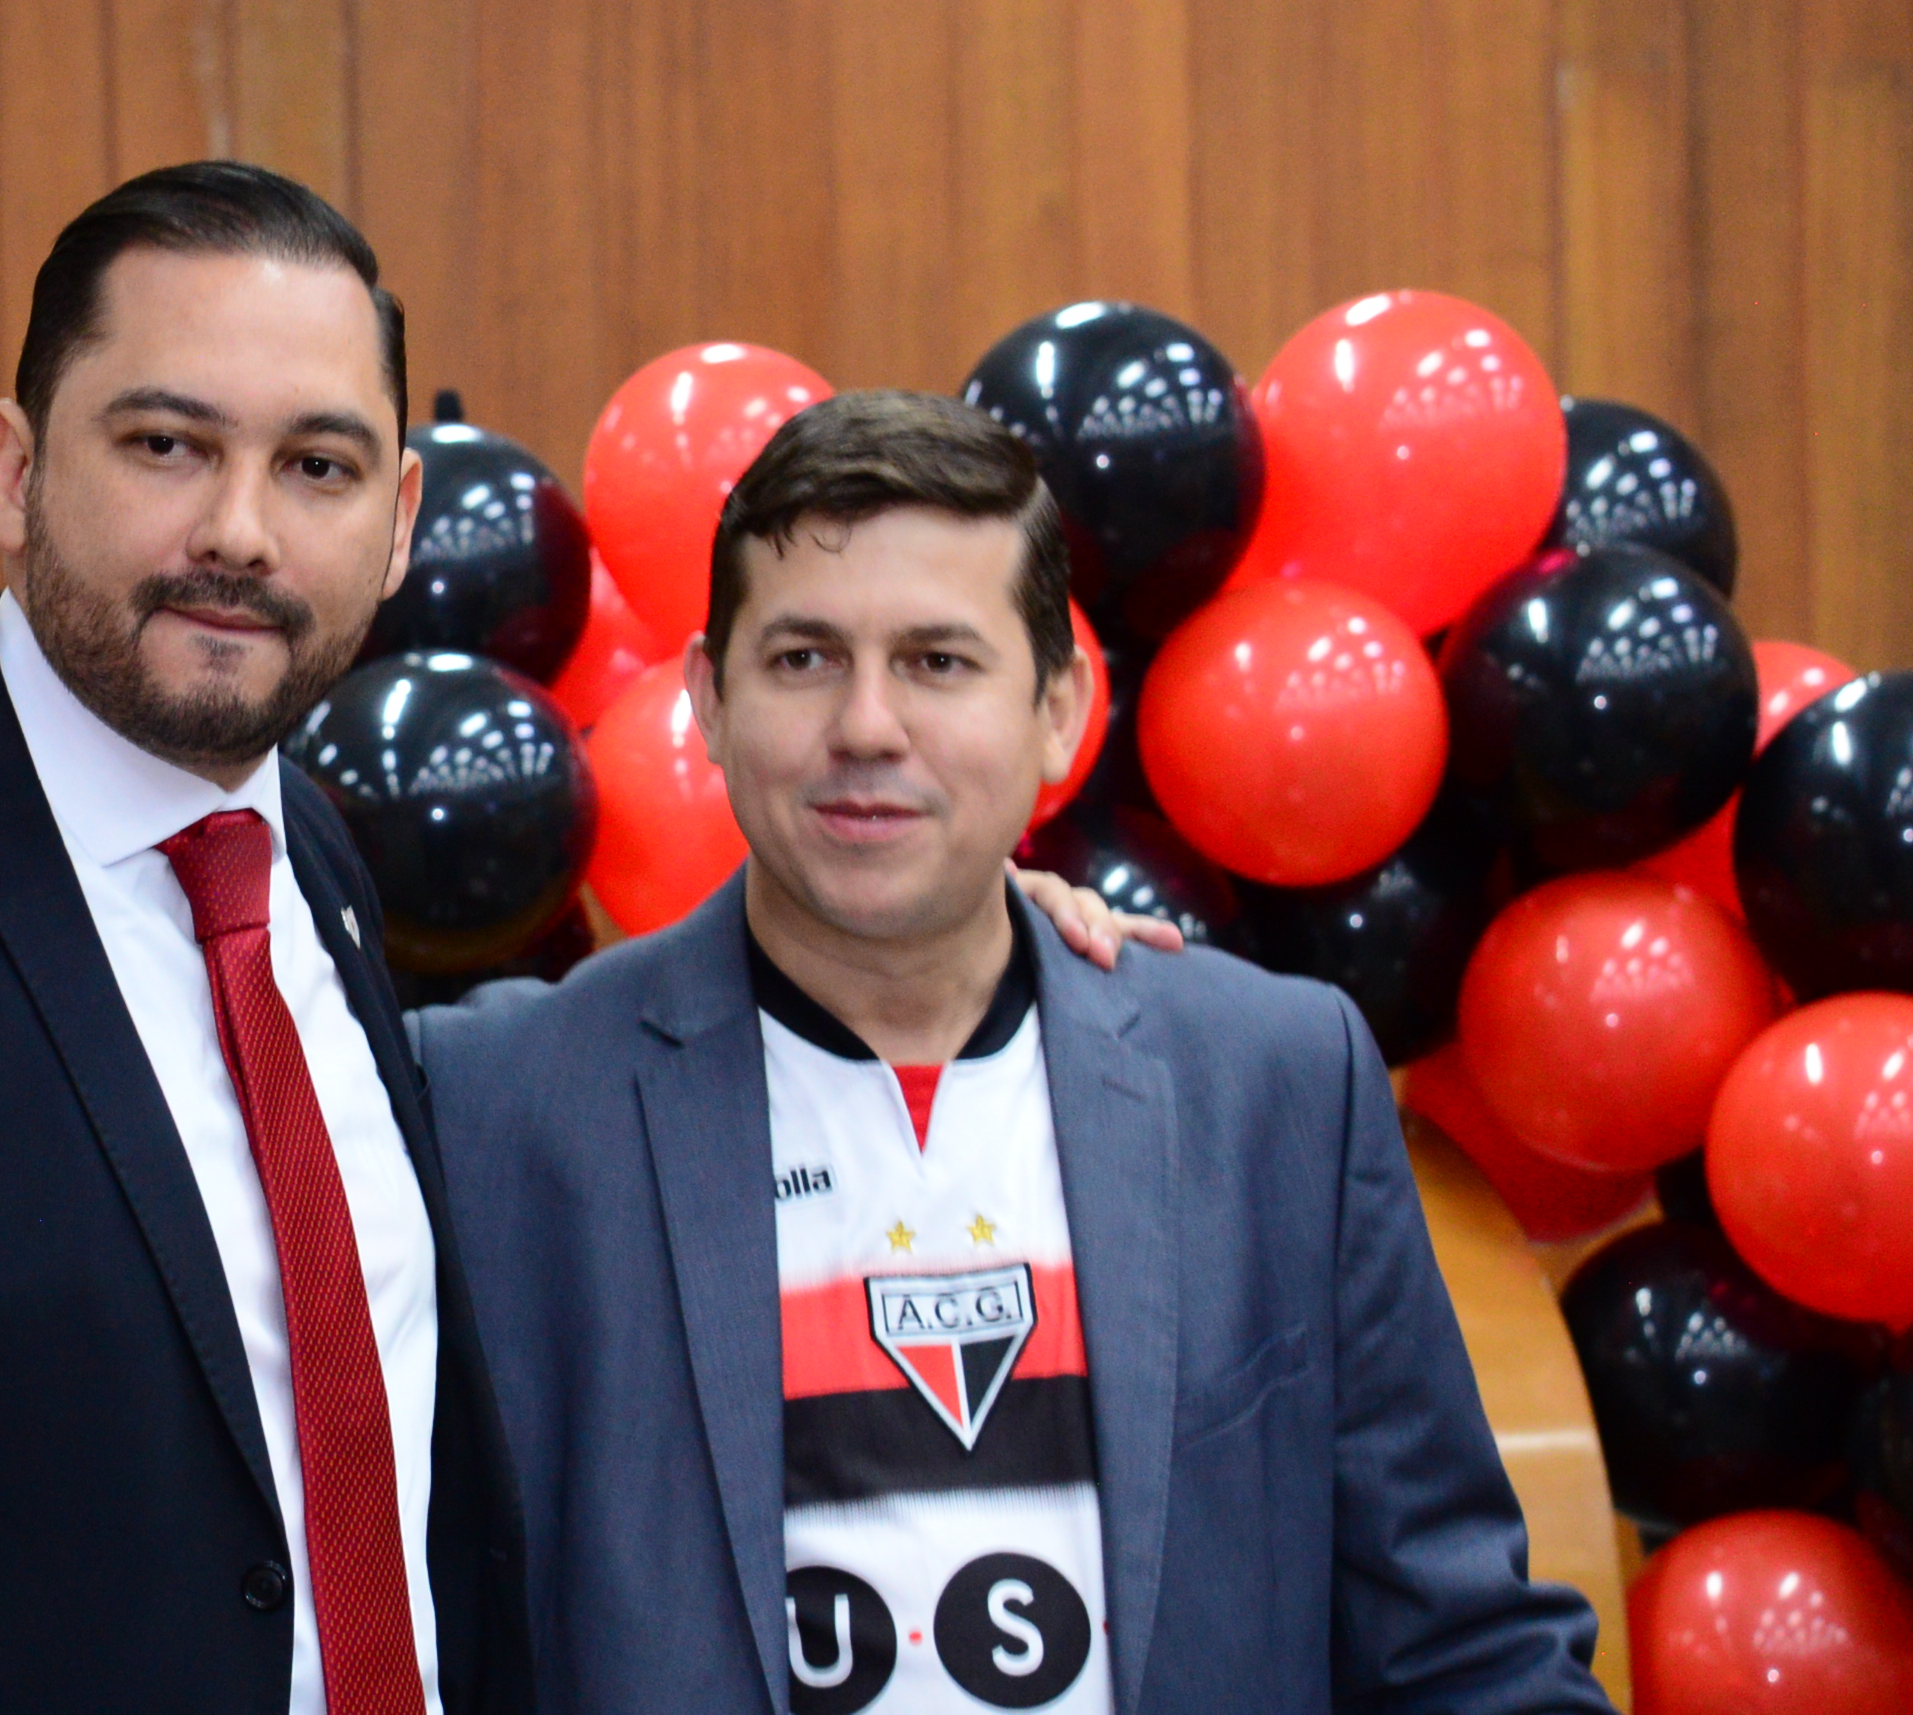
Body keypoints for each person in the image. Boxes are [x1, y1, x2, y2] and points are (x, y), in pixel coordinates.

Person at [0, 166, 1153, 1714]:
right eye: (167, 444)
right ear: (10, 469)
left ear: (397, 524)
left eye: (317, 466)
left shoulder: (307, 855)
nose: (241, 530)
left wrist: (966, 932)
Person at [414, 391, 1612, 1715]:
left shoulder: (1273, 1084)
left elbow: (1458, 1647)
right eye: (804, 658)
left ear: (1059, 707)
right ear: (707, 696)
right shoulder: (490, 1108)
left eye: (939, 662)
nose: (868, 727)